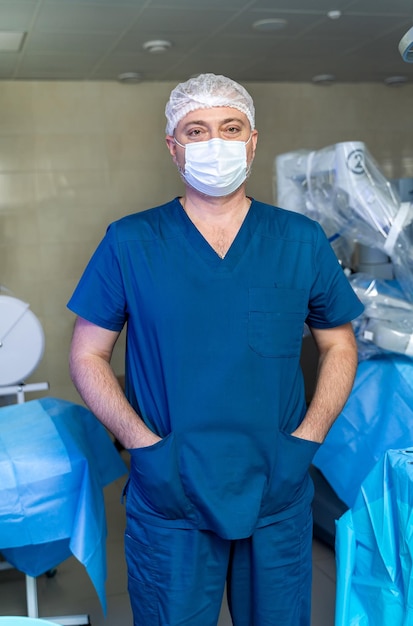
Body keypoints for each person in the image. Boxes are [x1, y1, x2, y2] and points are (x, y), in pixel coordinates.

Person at [67, 73, 364, 626]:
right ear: (173, 146)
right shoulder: (130, 241)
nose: (215, 143)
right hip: (171, 489)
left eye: (231, 128)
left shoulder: (299, 239)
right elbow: (87, 355)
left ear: (253, 141)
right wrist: (142, 445)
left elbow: (339, 342)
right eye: (196, 130)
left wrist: (309, 436)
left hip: (276, 484)